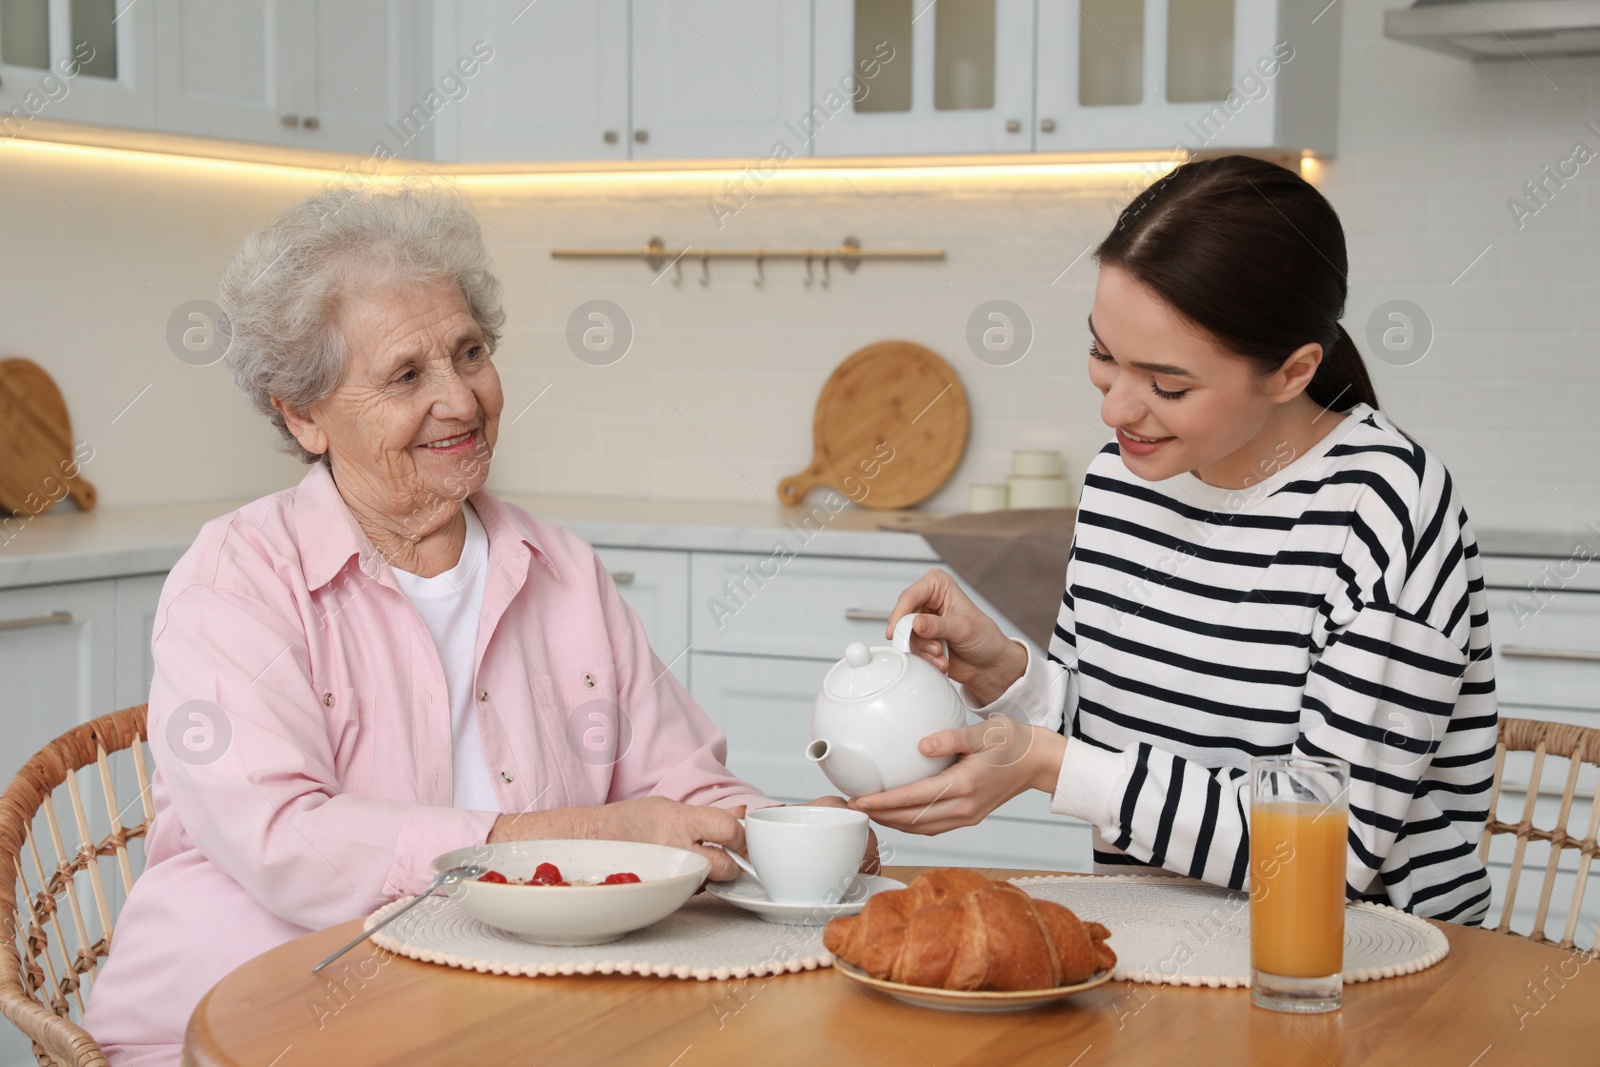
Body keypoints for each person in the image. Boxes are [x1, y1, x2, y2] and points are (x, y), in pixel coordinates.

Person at [82, 186, 863, 1066]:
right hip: (249, 1023)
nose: (461, 399)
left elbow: (679, 787)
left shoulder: (560, 567)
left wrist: (787, 837)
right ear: (303, 414)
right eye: (408, 375)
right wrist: (553, 843)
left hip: (505, 1019)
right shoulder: (237, 578)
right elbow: (284, 837)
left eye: (471, 352)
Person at [854, 156, 1496, 925]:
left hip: (1369, 968)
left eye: (1167, 385)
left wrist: (1044, 762)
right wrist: (1008, 674)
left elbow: (1328, 849)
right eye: (1103, 356)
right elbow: (1122, 743)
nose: (1116, 409)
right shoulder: (1122, 481)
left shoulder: (1386, 506)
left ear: (1292, 372)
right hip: (1151, 941)